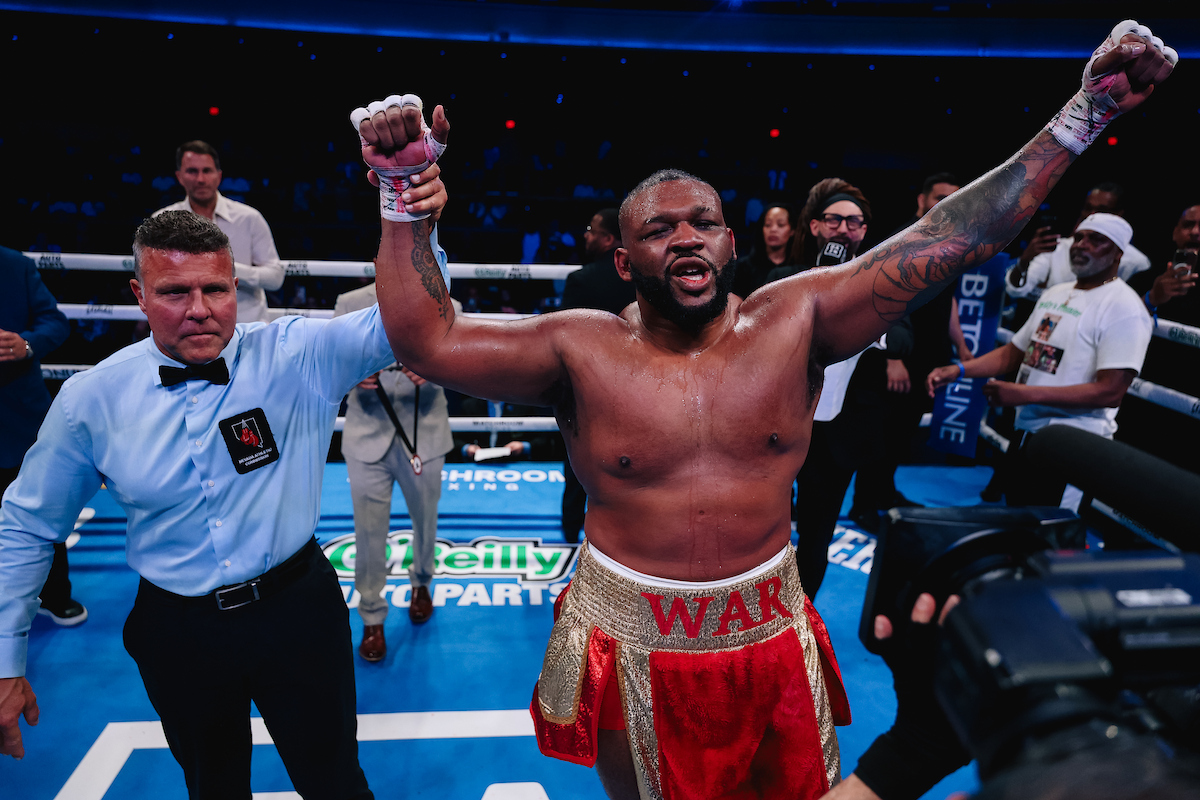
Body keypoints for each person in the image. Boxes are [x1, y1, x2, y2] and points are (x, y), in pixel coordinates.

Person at [353, 26, 1173, 800]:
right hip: (629, 632)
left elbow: (956, 235)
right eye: (660, 228)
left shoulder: (798, 320)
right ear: (622, 258)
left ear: (729, 241)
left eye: (704, 222)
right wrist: (401, 201)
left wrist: (1083, 115)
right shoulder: (579, 347)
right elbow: (428, 340)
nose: (686, 238)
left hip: (769, 622)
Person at [0, 173, 448, 796]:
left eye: (215, 288)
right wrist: (3, 660)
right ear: (138, 294)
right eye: (174, 292)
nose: (200, 309)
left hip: (297, 609)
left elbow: (417, 319)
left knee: (334, 779)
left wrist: (408, 212)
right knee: (213, 785)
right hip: (179, 627)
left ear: (236, 285)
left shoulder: (296, 354)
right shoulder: (91, 399)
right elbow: (27, 523)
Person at [928, 213, 1153, 511]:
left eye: (1096, 240)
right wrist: (958, 370)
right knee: (1020, 520)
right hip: (1028, 431)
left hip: (1075, 442)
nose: (1081, 245)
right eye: (1079, 237)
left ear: (1118, 253)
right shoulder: (1056, 293)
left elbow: (1110, 392)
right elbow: (1016, 351)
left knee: (1055, 536)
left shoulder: (1124, 308)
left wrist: (1023, 394)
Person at [760, 178, 912, 597]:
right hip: (776, 426)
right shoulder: (783, 278)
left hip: (840, 434)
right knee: (755, 528)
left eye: (855, 222)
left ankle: (801, 618)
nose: (844, 229)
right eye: (835, 220)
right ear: (814, 226)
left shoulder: (883, 286)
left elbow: (903, 340)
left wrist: (860, 310)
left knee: (817, 533)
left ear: (865, 232)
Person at [334, 285, 457, 660]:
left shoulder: (445, 301)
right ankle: (371, 616)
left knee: (426, 520)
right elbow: (332, 365)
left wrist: (435, 370)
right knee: (367, 532)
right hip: (366, 430)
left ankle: (422, 582)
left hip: (426, 431)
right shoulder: (349, 303)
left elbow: (462, 366)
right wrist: (351, 377)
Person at [847, 172, 972, 533]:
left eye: (954, 198)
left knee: (902, 432)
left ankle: (885, 494)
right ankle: (863, 505)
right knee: (882, 431)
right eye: (939, 197)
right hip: (900, 354)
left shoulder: (956, 244)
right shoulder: (903, 240)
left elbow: (947, 302)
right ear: (922, 201)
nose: (946, 205)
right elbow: (881, 299)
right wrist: (893, 357)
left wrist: (962, 345)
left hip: (931, 354)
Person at [0, 247, 83, 626]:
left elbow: (55, 322)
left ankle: (54, 594)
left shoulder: (14, 265)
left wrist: (26, 344)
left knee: (43, 503)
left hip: (19, 410)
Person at [560, 209, 635, 542]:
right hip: (638, 381)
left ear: (608, 239)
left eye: (591, 230)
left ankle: (570, 525)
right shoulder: (641, 277)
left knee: (579, 457)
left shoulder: (581, 280)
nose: (585, 236)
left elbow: (564, 338)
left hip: (588, 384)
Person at [155, 140, 285, 323]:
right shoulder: (163, 221)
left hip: (245, 327)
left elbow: (275, 278)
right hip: (186, 326)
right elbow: (154, 280)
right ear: (179, 176)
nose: (200, 179)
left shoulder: (249, 218)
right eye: (192, 171)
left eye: (206, 171)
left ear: (219, 175)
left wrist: (228, 269)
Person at [1006, 181, 1152, 305]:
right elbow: (1016, 289)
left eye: (1102, 210)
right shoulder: (1058, 249)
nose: (1092, 215)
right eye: (1088, 208)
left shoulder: (1136, 262)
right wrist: (1025, 260)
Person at [734, 203, 797, 299]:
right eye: (768, 225)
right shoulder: (743, 267)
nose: (773, 229)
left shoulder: (799, 268)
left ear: (792, 230)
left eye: (780, 225)